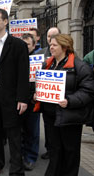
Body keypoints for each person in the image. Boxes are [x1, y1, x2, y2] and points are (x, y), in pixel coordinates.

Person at [33, 34, 94, 176]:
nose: (51, 47)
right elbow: (40, 85)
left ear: (65, 47)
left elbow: (88, 91)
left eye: (54, 45)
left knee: (70, 153)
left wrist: (69, 101)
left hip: (70, 118)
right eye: (50, 45)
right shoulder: (47, 64)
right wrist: (38, 94)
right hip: (50, 117)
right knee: (54, 150)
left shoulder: (80, 67)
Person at [0, 8, 30, 176]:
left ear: (5, 22)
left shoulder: (18, 45)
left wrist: (22, 98)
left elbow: (24, 74)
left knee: (14, 133)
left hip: (11, 96)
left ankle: (17, 168)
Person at [36, 27, 61, 160]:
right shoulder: (41, 54)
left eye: (54, 36)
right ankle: (49, 149)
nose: (50, 39)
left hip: (61, 103)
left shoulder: (72, 59)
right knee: (48, 127)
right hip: (47, 102)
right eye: (49, 37)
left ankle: (58, 152)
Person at [21, 34, 40, 171]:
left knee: (32, 131)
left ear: (34, 46)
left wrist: (37, 92)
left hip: (33, 102)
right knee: (19, 130)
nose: (25, 46)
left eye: (27, 44)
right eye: (23, 44)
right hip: (19, 101)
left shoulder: (40, 60)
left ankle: (30, 157)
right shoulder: (16, 58)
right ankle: (20, 154)